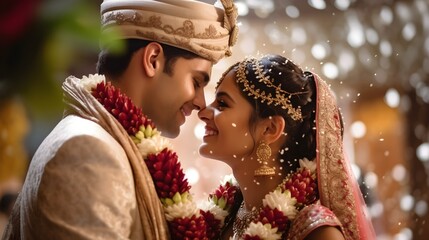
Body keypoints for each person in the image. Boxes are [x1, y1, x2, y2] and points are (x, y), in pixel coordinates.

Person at [2, 0, 238, 239]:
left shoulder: (108, 141)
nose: (200, 102)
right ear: (153, 59)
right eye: (196, 82)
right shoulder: (89, 150)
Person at [198, 55, 376, 239]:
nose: (203, 112)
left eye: (222, 104)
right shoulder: (225, 216)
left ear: (270, 129)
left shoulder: (317, 231)